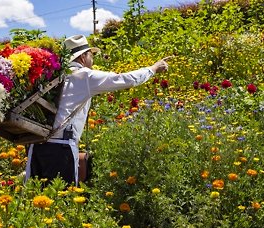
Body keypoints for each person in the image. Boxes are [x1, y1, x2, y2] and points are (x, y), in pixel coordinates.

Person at [24, 34, 171, 185]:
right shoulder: (84, 76)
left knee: (34, 200)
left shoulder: (53, 76)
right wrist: (153, 69)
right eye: (91, 55)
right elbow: (125, 79)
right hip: (61, 151)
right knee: (61, 200)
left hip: (37, 147)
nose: (92, 60)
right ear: (82, 57)